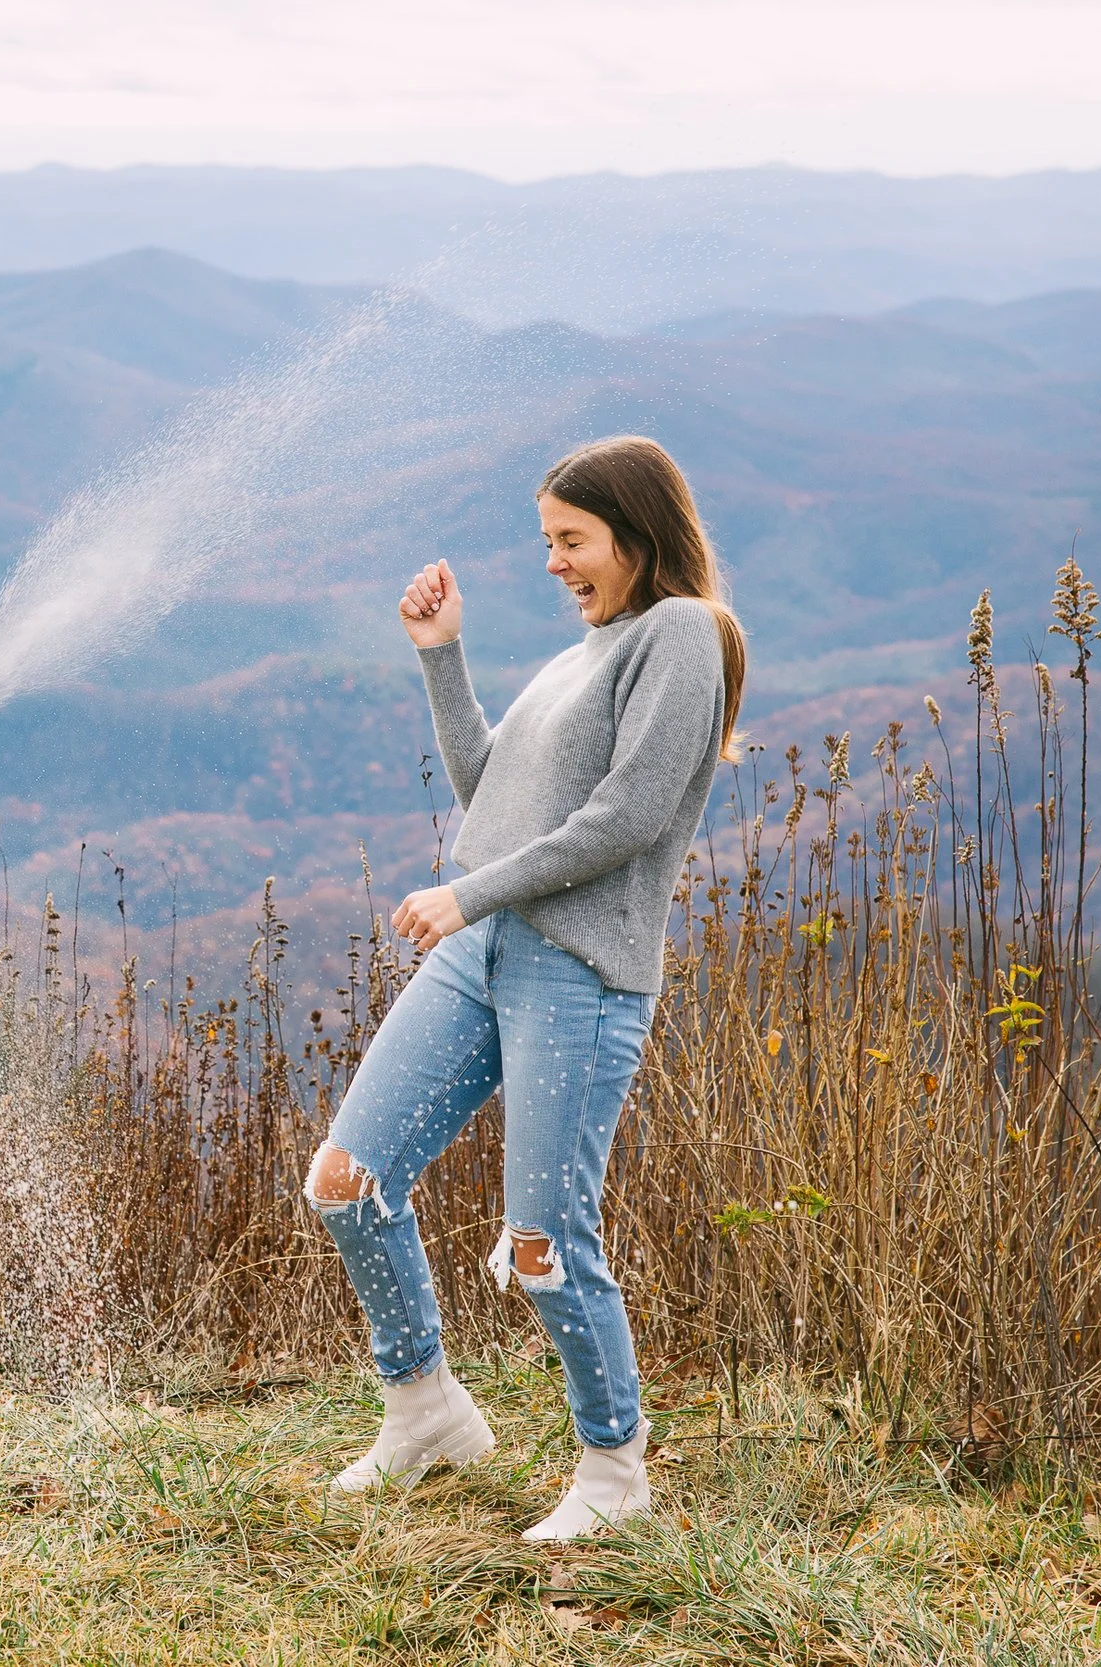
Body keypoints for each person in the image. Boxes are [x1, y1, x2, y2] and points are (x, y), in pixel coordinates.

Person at [305, 435, 747, 1540]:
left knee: (547, 1240)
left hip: (579, 970)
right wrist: (441, 656)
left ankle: (612, 1469)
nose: (554, 562)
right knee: (346, 1179)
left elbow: (630, 815)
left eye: (571, 540)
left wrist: (467, 894)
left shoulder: (682, 634)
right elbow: (489, 794)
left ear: (637, 533)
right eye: (547, 541)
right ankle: (424, 1412)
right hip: (485, 948)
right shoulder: (580, 653)